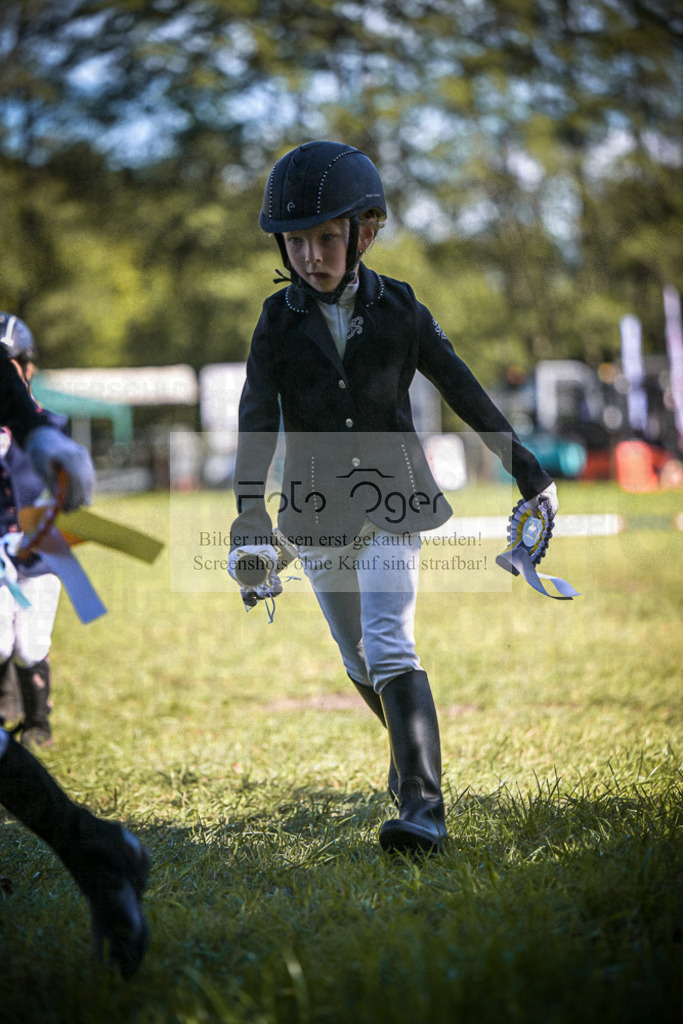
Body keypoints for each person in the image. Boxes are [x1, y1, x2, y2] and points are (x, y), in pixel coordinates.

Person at [228, 140, 559, 856]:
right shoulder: (273, 321)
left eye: (325, 237)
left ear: (365, 231)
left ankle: (423, 808)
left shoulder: (402, 307)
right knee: (356, 662)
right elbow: (256, 419)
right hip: (313, 511)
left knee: (387, 643)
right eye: (296, 240)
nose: (310, 254)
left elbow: (462, 387)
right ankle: (410, 761)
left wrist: (523, 466)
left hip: (393, 501)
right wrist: (248, 513)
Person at [0, 338, 150, 976]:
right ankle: (99, 851)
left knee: (29, 644)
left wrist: (38, 433)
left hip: (31, 559)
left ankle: (97, 851)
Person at [0, 313, 64, 746]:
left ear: (26, 367)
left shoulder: (46, 424)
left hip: (39, 553)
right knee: (1, 640)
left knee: (31, 641)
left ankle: (38, 721)